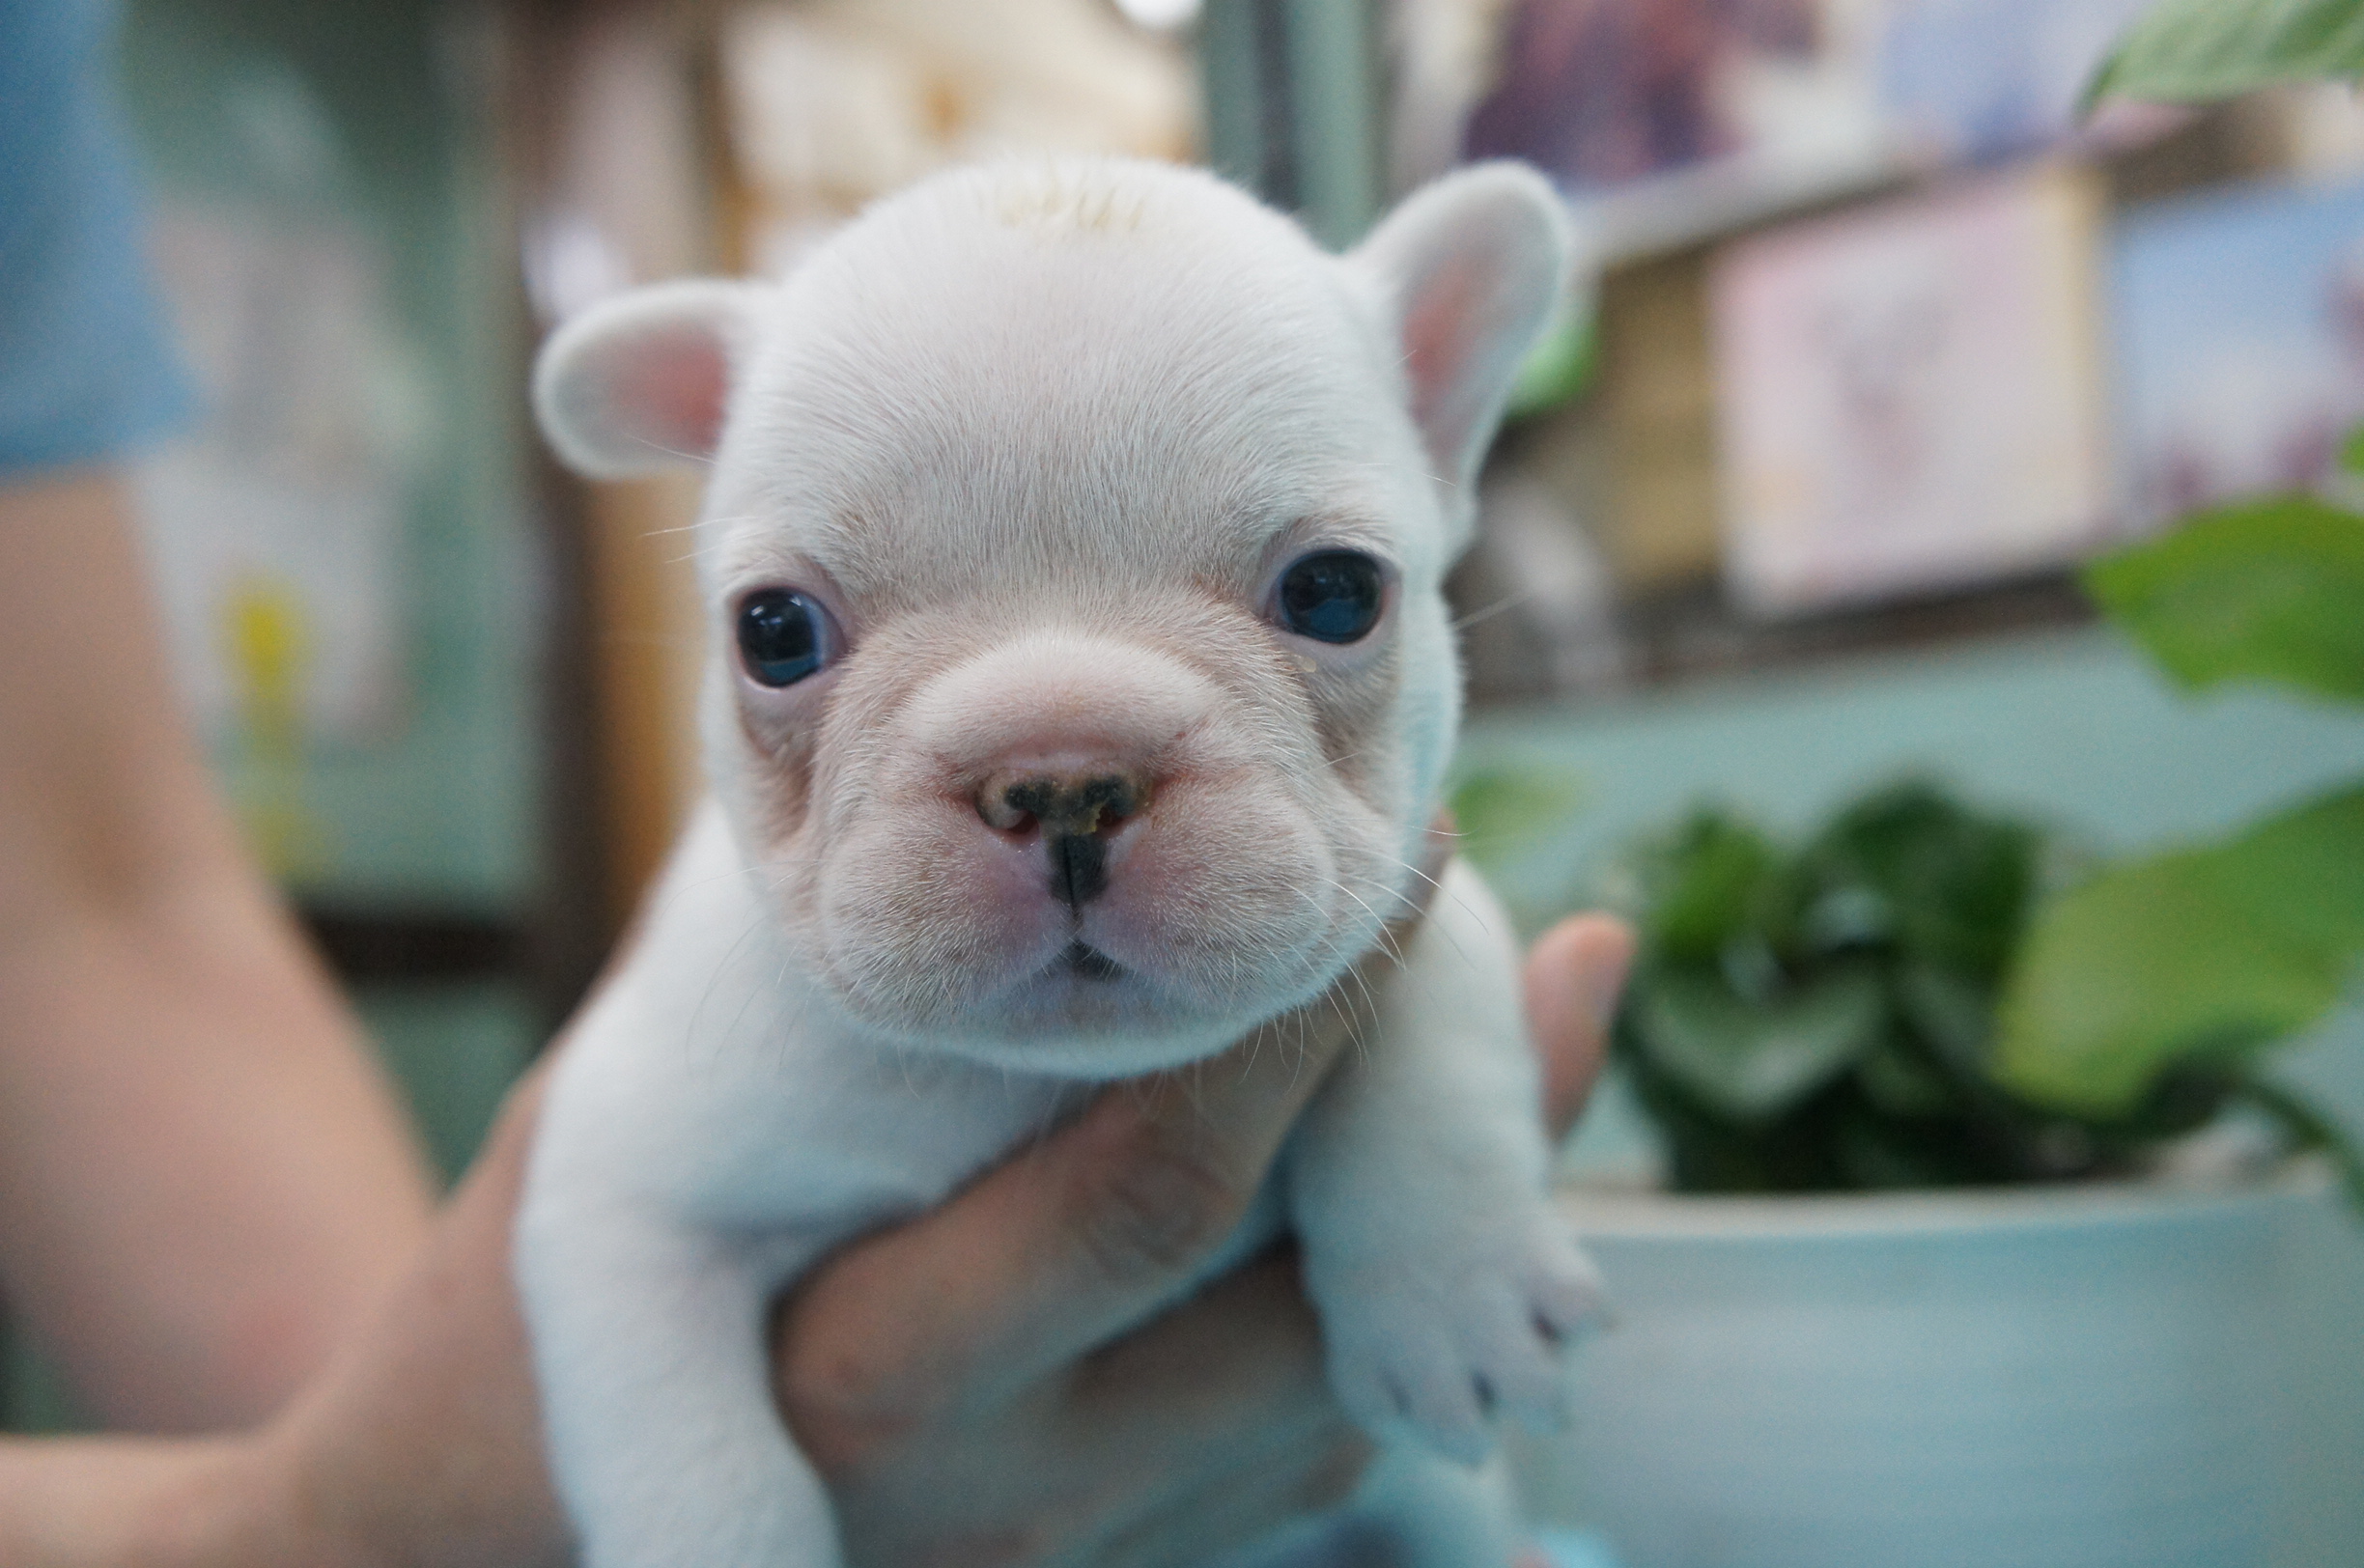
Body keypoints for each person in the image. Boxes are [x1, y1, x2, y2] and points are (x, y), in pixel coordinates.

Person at [0, 3, 1637, 1563]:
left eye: (1321, 600)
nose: (1061, 797)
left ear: (1442, 412)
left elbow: (1430, 934)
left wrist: (1434, 1182)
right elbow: (624, 1221)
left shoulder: (1369, 909)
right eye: (794, 637)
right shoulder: (721, 1030)